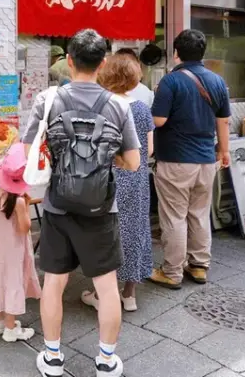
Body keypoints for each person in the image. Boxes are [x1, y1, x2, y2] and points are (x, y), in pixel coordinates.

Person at [22, 29, 140, 377]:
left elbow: (24, 149)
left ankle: (53, 357)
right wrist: (108, 160)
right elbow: (133, 162)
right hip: (101, 210)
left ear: (69, 61)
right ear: (103, 63)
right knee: (106, 287)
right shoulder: (119, 104)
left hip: (57, 207)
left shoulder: (48, 100)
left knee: (54, 284)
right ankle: (106, 361)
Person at [150, 29, 231, 290]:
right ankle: (198, 265)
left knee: (174, 216)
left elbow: (158, 120)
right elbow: (224, 121)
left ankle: (172, 272)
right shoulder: (218, 81)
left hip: (176, 160)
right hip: (207, 160)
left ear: (176, 53)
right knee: (198, 213)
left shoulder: (171, 81)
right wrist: (224, 151)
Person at [82, 53, 154, 313]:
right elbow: (149, 150)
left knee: (105, 234)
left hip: (106, 180)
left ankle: (101, 294)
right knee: (135, 230)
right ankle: (130, 295)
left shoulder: (100, 107)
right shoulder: (142, 109)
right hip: (136, 179)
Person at [0, 143, 41, 343]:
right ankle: (10, 328)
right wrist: (25, 207)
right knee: (13, 282)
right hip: (14, 252)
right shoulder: (20, 202)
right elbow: (25, 228)